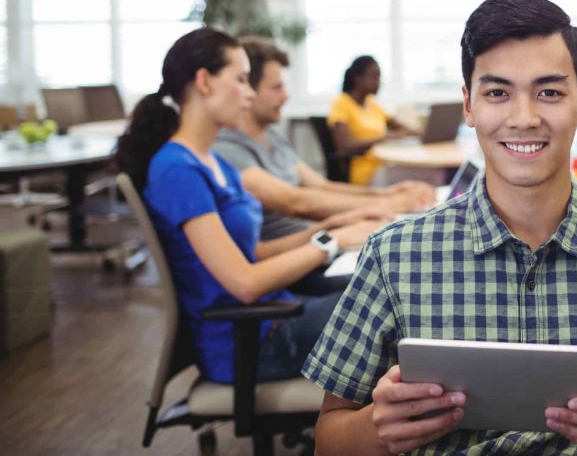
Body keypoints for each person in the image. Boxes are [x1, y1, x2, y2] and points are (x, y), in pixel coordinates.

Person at [303, 0, 577, 455]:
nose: (525, 118)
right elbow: (330, 440)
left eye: (549, 92)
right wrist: (378, 427)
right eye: (497, 93)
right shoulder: (394, 255)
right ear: (468, 106)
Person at [115, 28, 381, 384]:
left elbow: (251, 252)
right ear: (204, 82)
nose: (250, 93)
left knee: (384, 286)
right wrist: (329, 243)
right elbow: (244, 282)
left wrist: (328, 229)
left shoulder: (213, 162)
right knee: (393, 308)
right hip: (250, 341)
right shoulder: (177, 170)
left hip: (270, 315)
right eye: (241, 80)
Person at [214, 37, 436, 242]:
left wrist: (387, 193)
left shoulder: (271, 135)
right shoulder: (228, 148)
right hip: (304, 255)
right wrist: (390, 204)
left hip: (318, 243)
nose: (286, 96)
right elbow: (295, 202)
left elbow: (321, 186)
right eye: (276, 87)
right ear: (247, 90)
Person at [328, 55, 418, 185]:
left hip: (385, 165)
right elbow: (346, 146)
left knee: (434, 173)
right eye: (375, 77)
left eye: (380, 77)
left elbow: (401, 127)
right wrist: (387, 137)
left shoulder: (372, 104)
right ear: (358, 78)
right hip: (365, 173)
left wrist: (422, 132)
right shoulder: (341, 103)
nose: (379, 82)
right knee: (436, 176)